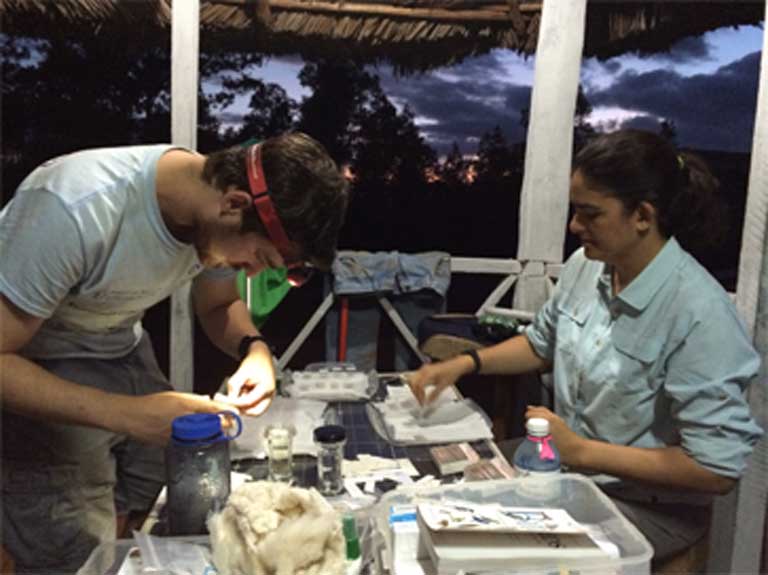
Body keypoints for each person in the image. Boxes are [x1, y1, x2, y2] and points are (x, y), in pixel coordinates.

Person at [0, 132, 349, 573]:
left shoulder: (208, 214)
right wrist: (127, 414)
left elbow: (219, 304)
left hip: (121, 344)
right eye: (258, 257)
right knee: (69, 544)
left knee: (166, 490)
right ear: (235, 204)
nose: (253, 273)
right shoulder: (75, 208)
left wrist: (255, 349)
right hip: (33, 364)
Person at [408, 129, 762, 562]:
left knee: (497, 556)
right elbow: (541, 344)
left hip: (649, 506)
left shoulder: (701, 315)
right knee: (433, 492)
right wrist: (464, 364)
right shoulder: (586, 267)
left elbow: (715, 468)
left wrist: (581, 450)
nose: (575, 226)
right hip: (566, 472)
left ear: (643, 216)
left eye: (590, 214)